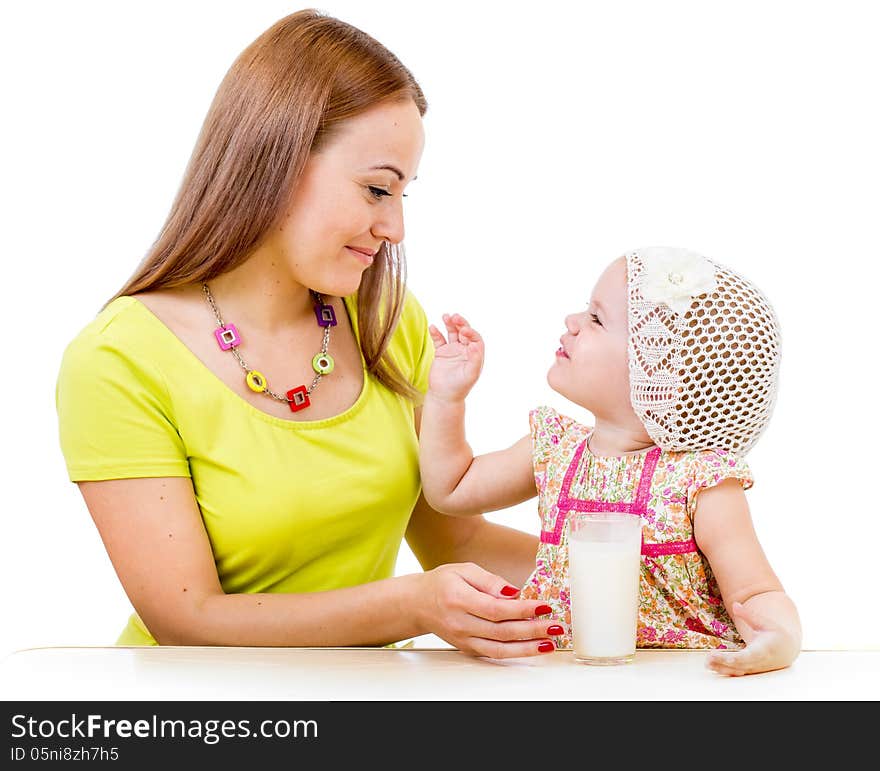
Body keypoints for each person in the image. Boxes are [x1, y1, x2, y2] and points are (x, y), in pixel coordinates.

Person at [55, 9, 558, 658]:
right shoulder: (118, 361)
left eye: (403, 194)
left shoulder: (383, 320)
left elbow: (457, 542)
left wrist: (667, 576)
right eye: (378, 188)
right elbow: (189, 617)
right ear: (275, 159)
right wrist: (411, 602)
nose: (395, 227)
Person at [419, 246, 803, 675]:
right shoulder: (554, 449)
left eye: (597, 318)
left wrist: (777, 639)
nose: (572, 321)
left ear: (660, 378)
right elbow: (450, 489)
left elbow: (755, 592)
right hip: (564, 675)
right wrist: (447, 397)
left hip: (681, 682)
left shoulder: (702, 481)